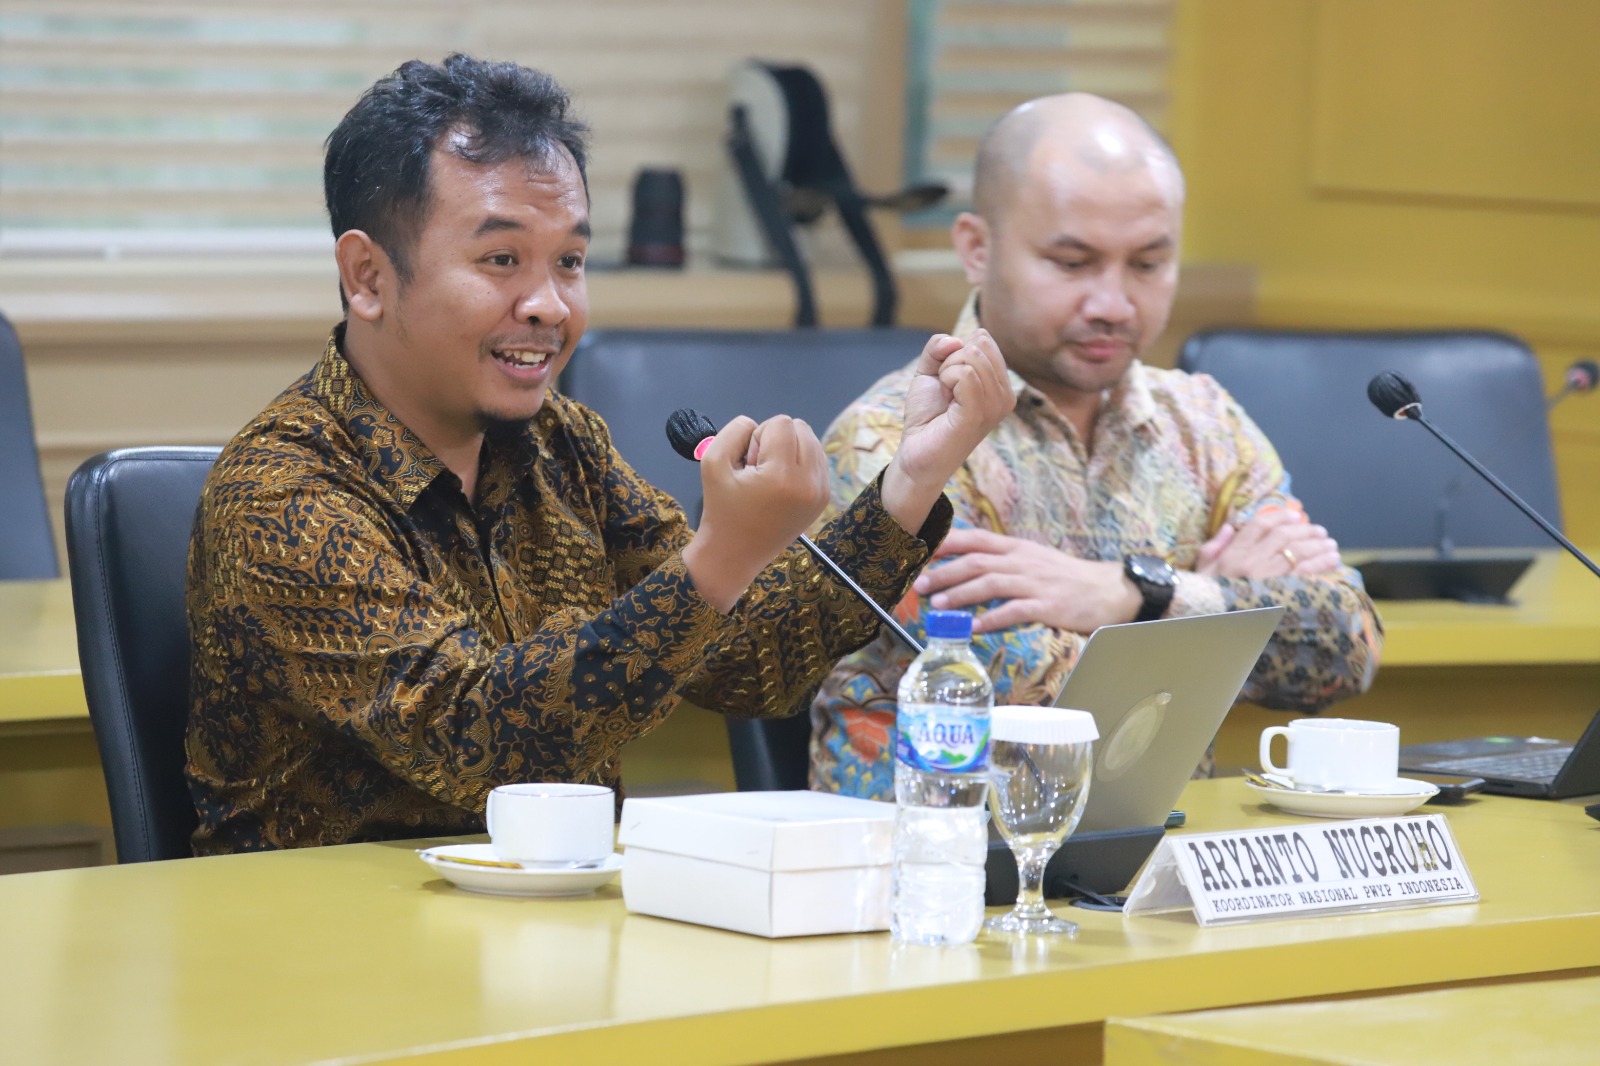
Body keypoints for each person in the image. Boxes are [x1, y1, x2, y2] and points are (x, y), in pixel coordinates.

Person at [185, 55, 1014, 854]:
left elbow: (751, 666)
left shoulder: (564, 444)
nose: (549, 305)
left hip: (552, 917)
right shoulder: (280, 493)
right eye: (501, 260)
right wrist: (720, 557)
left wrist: (911, 480)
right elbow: (478, 747)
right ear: (368, 277)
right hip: (325, 931)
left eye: (570, 262)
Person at [810, 93, 1383, 800]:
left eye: (1147, 264)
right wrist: (1223, 609)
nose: (1113, 303)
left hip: (1156, 846)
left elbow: (1346, 646)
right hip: (938, 847)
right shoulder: (895, 441)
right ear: (977, 249)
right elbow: (1008, 683)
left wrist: (1140, 593)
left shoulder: (1206, 422)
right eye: (1073, 263)